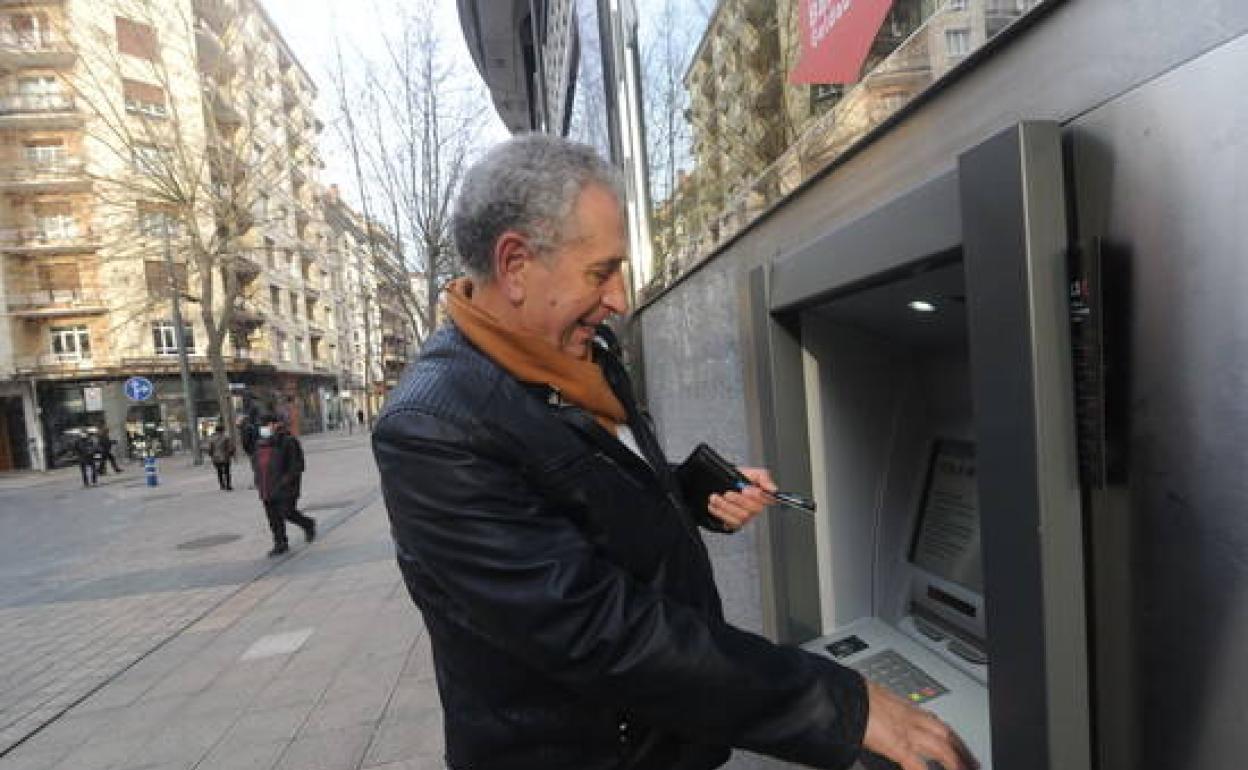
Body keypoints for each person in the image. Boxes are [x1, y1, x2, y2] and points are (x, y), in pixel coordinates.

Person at [372, 135, 977, 770]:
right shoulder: (435, 429)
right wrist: (845, 705)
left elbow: (586, 491)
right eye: (601, 271)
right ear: (516, 264)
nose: (618, 299)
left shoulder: (579, 358)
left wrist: (692, 490)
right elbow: (597, 630)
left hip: (664, 738)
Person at [251, 413, 315, 556]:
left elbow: (297, 465)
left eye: (265, 425)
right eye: (261, 426)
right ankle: (280, 543)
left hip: (284, 487)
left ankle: (308, 524)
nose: (263, 428)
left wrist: (285, 481)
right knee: (273, 517)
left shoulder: (288, 441)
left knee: (287, 512)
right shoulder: (260, 443)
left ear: (275, 424)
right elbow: (256, 463)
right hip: (266, 486)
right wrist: (258, 480)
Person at [207, 424, 235, 491]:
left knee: (219, 471)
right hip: (225, 457)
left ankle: (222, 485)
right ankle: (228, 485)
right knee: (227, 471)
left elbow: (210, 449)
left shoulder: (212, 438)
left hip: (216, 458)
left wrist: (211, 455)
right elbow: (231, 447)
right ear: (223, 430)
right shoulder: (226, 437)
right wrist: (231, 454)